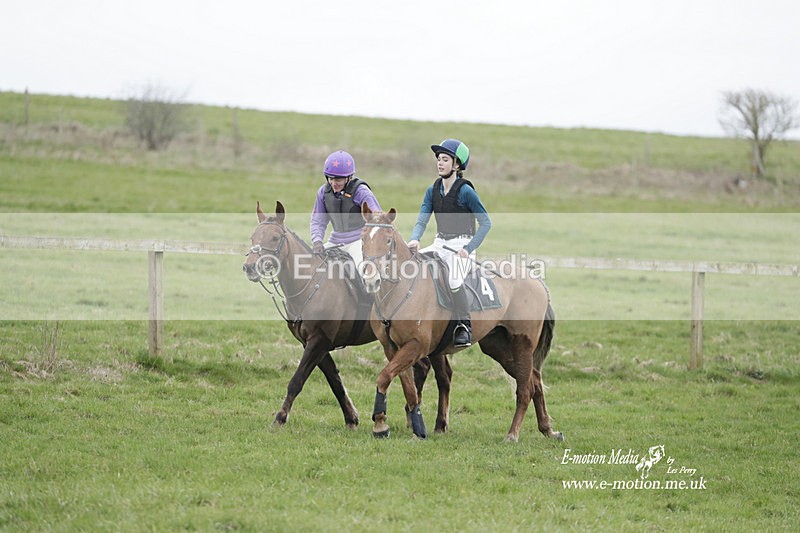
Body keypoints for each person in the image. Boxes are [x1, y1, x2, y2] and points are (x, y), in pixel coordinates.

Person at [407, 138, 491, 347]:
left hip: (461, 247)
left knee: (454, 280)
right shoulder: (432, 190)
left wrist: (469, 248)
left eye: (445, 159)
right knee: (411, 266)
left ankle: (464, 326)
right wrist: (415, 239)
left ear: (456, 165)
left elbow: (486, 223)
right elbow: (422, 219)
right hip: (438, 244)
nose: (440, 163)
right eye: (438, 159)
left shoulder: (466, 191)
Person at [310, 150, 381, 274]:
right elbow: (318, 221)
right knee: (310, 267)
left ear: (349, 178)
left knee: (364, 272)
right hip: (335, 241)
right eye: (330, 178)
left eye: (338, 180)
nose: (333, 183)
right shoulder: (323, 192)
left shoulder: (361, 191)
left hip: (358, 242)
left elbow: (377, 217)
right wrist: (317, 241)